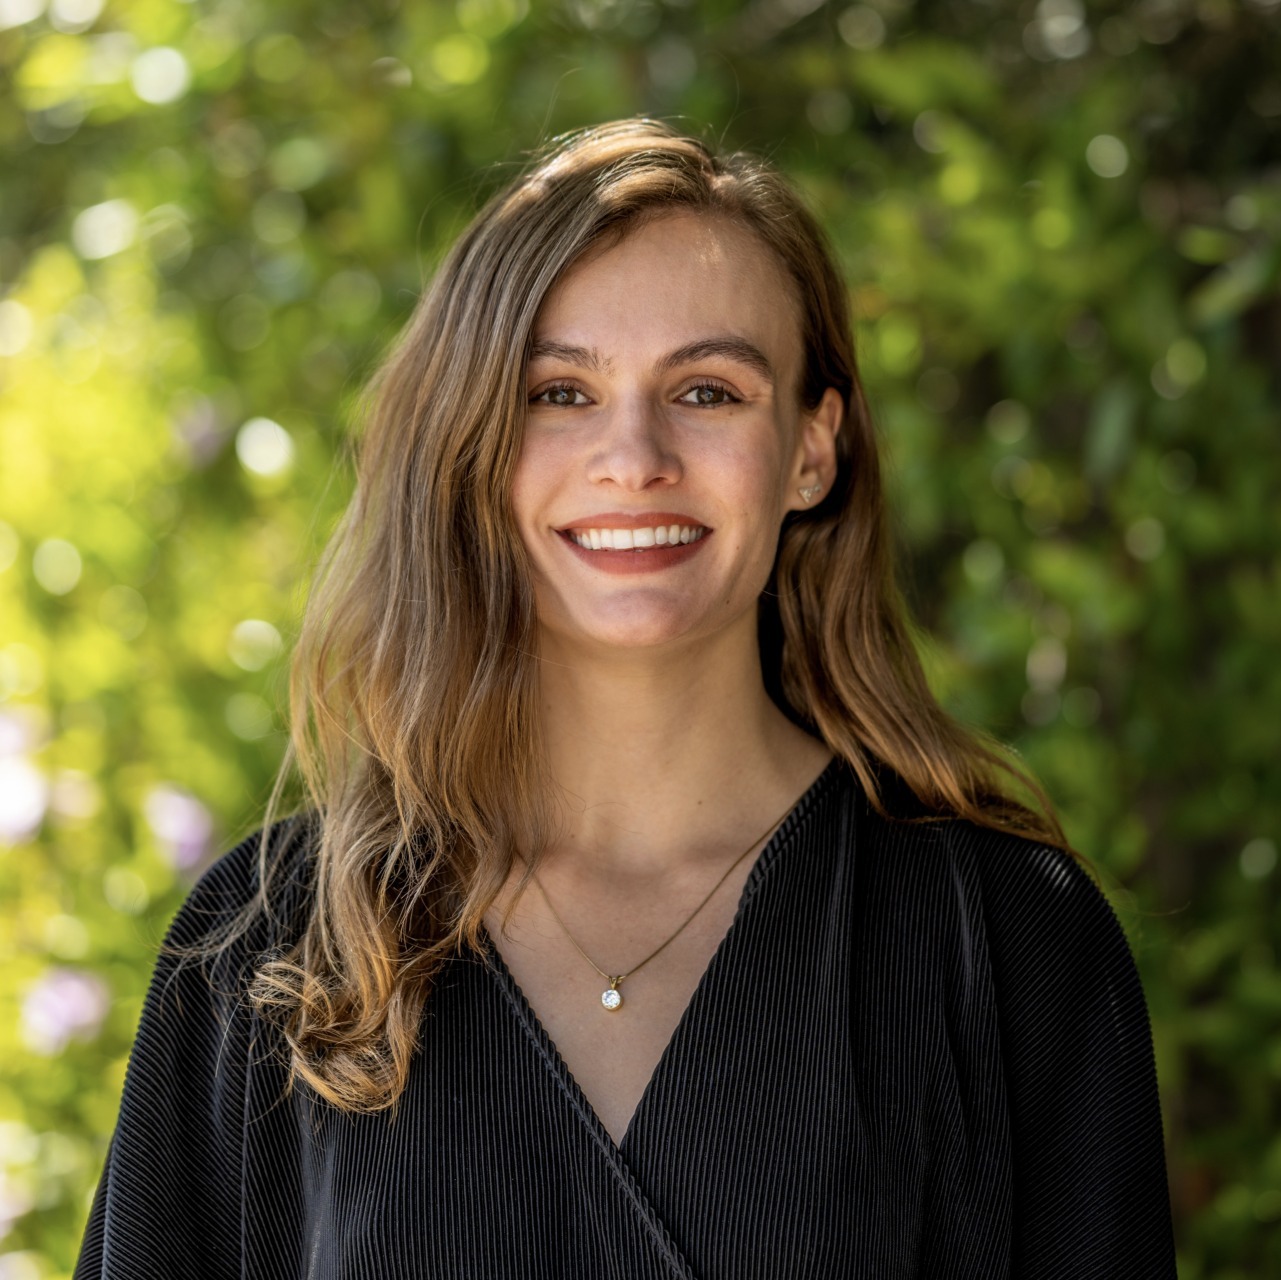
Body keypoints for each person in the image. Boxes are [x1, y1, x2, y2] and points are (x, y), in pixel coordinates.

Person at [75, 119, 1176, 1278]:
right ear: (474, 446)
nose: (633, 454)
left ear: (813, 446)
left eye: (707, 390)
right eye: (559, 391)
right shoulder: (274, 944)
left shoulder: (1004, 938)